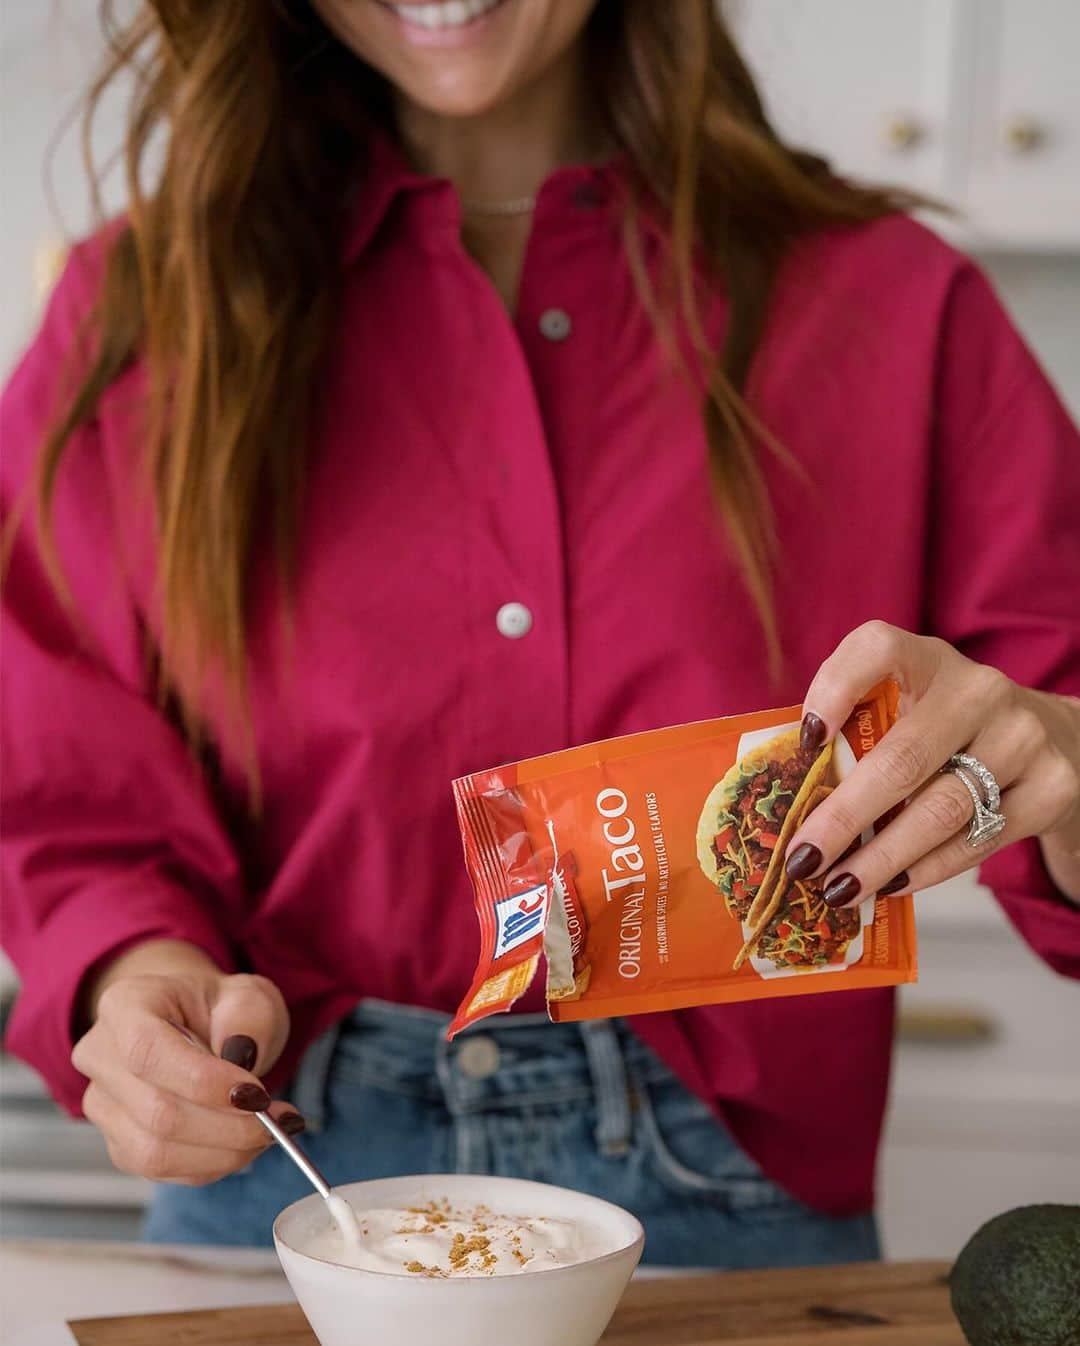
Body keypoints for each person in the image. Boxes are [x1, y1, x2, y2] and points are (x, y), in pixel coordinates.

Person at [2, 0, 1078, 1268]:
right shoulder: (138, 310)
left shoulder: (896, 302)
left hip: (736, 1200)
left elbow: (1051, 750)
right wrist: (138, 977)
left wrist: (1058, 757)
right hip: (285, 1171)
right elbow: (69, 793)